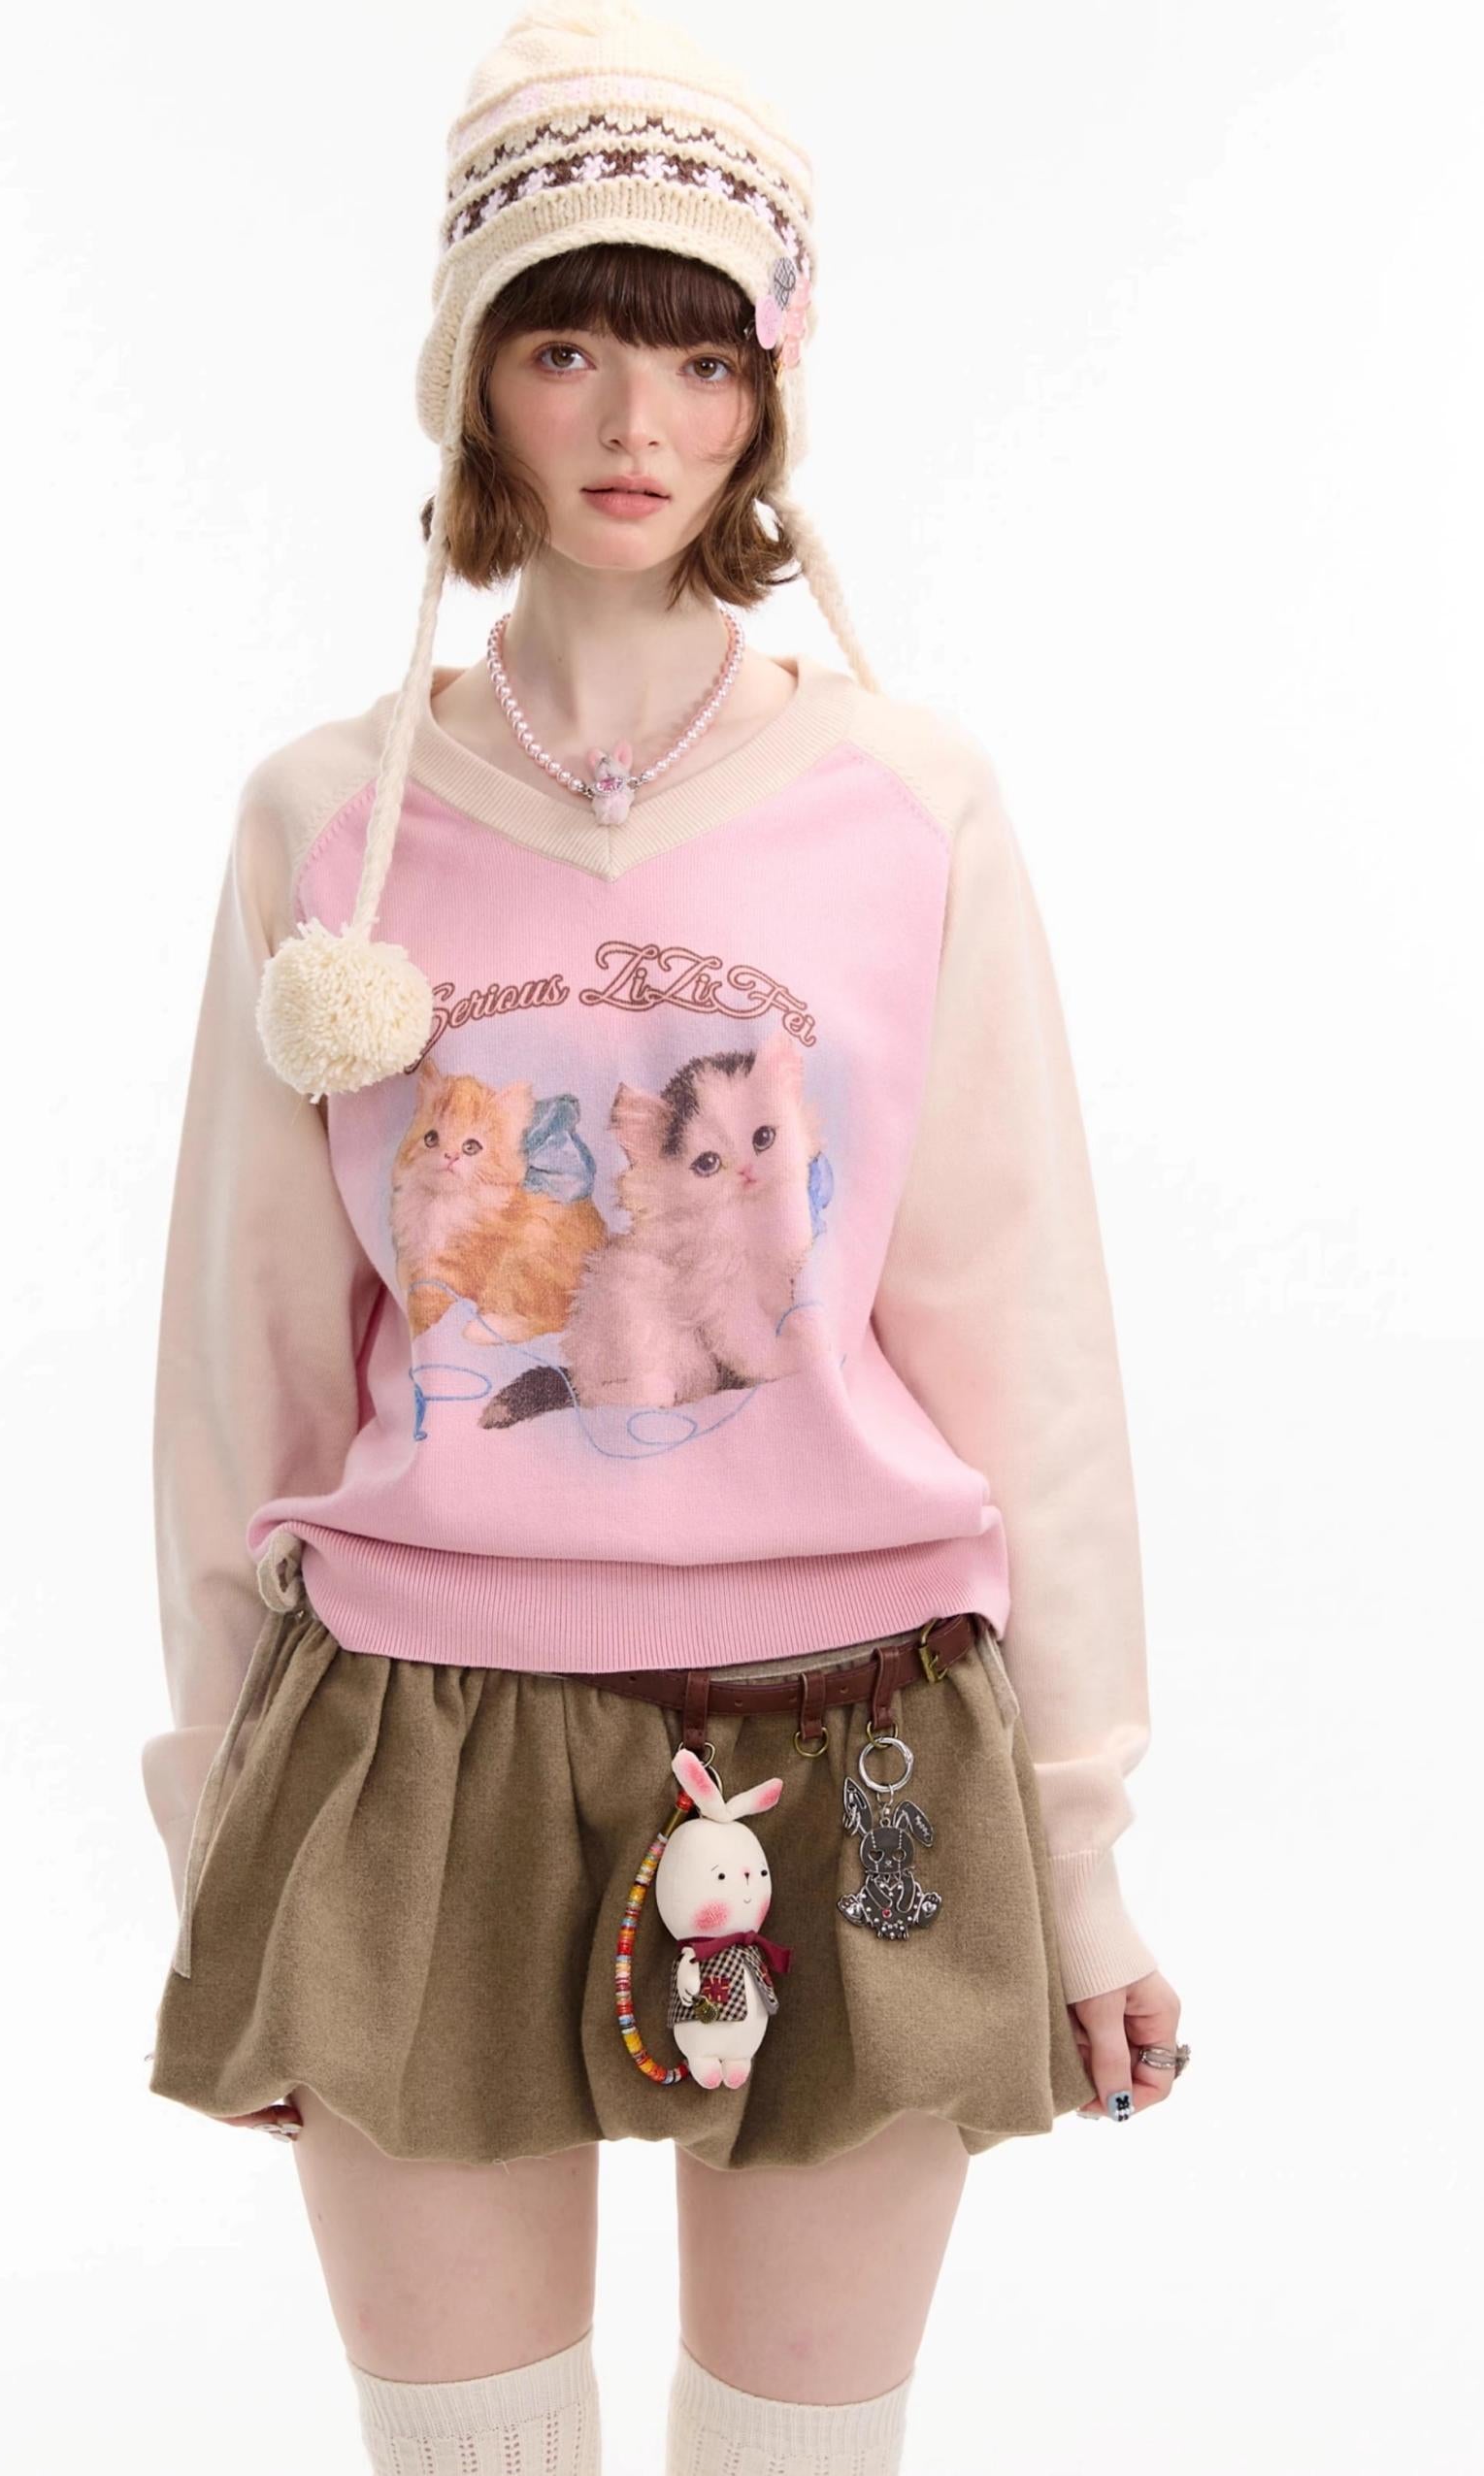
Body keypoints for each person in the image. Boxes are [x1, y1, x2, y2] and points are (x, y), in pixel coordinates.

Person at [140, 6, 1190, 2470]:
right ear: (472, 378)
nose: (635, 422)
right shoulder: (325, 821)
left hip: (863, 1735)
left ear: (771, 393)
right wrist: (217, 1835)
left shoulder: (908, 802)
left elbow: (1024, 1346)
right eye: (568, 346)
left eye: (701, 357)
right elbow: (244, 1366)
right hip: (411, 1741)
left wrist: (1083, 1859)